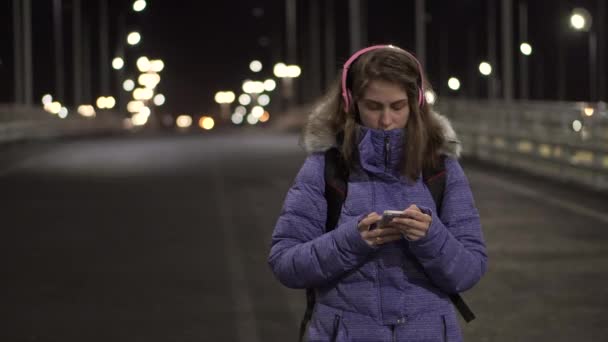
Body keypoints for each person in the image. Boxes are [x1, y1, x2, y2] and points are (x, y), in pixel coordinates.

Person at [268, 44, 487, 341]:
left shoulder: (441, 168)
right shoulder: (324, 167)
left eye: (397, 106)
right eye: (373, 106)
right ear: (350, 103)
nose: (386, 121)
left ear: (416, 103)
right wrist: (351, 241)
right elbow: (285, 263)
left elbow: (470, 270)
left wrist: (431, 237)